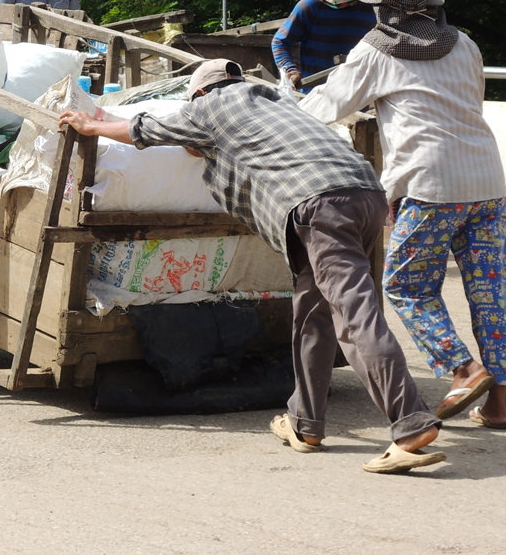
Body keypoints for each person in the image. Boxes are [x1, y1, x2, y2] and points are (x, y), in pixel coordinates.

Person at [58, 59, 445, 473]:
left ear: (201, 93)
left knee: (354, 314)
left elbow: (144, 130)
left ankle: (409, 423)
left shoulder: (207, 107)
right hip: (365, 195)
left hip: (319, 205)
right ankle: (306, 423)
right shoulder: (276, 100)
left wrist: (93, 125)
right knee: (314, 315)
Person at [299, 0, 506, 430]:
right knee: (491, 293)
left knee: (406, 287)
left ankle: (463, 370)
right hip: (486, 181)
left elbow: (327, 107)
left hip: (429, 184)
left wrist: (284, 106)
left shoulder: (377, 50)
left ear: (383, 9)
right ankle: (496, 404)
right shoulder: (465, 44)